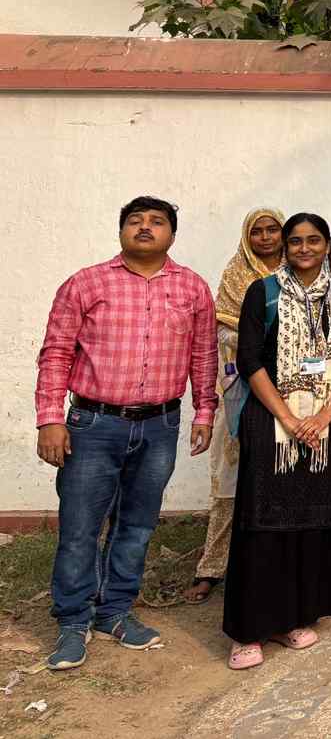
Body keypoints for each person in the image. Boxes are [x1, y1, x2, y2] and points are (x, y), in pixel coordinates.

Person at [36, 196, 217, 671]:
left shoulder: (193, 288)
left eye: (157, 221)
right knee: (80, 526)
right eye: (135, 220)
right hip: (93, 425)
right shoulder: (86, 283)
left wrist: (204, 412)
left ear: (171, 235)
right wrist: (50, 418)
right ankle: (73, 620)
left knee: (137, 524)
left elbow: (204, 355)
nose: (145, 227)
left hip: (160, 425)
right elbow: (56, 352)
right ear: (121, 230)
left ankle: (115, 611)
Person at [222, 213, 331, 669]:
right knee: (264, 522)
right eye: (296, 241)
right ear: (285, 246)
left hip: (324, 426)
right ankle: (249, 630)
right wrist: (287, 416)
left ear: (326, 246)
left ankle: (293, 618)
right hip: (272, 425)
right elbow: (249, 360)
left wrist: (324, 415)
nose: (304, 248)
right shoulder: (262, 292)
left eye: (313, 240)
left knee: (311, 521)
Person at [186, 208, 284, 607]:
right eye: (257, 231)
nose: (265, 237)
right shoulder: (235, 274)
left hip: (292, 394)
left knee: (281, 478)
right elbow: (223, 330)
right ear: (247, 236)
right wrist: (261, 340)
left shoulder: (301, 273)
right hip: (239, 390)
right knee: (230, 479)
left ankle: (270, 565)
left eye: (272, 229)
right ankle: (212, 567)